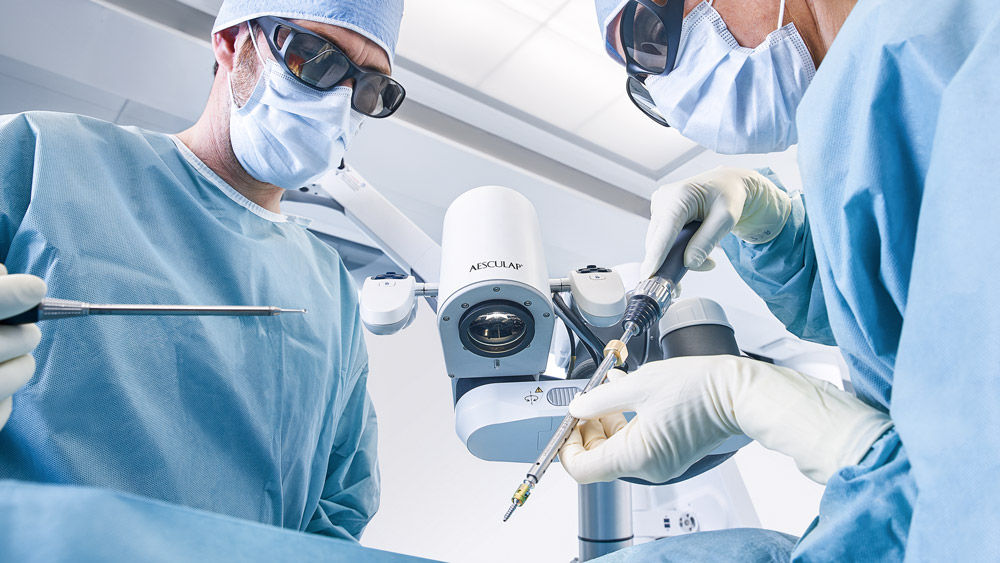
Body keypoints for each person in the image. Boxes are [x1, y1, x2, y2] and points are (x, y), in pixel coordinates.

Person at [559, 0, 1000, 560]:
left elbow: (976, 507)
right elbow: (883, 295)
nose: (672, 89)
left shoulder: (952, 48)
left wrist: (779, 414)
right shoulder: (860, 96)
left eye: (651, 36)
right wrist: (773, 227)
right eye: (644, 80)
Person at [0, 0, 404, 541]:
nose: (338, 101)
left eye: (370, 88)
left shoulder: (329, 290)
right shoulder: (40, 156)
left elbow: (337, 509)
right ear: (235, 43)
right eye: (315, 58)